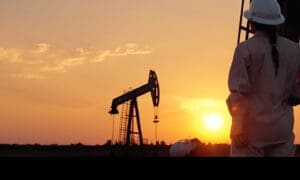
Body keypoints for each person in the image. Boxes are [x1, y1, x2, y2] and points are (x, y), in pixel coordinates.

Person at [227, 0, 300, 157]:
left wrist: (237, 126)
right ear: (277, 24)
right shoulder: (295, 50)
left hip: (250, 133)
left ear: (251, 23)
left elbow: (239, 93)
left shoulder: (245, 49)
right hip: (282, 131)